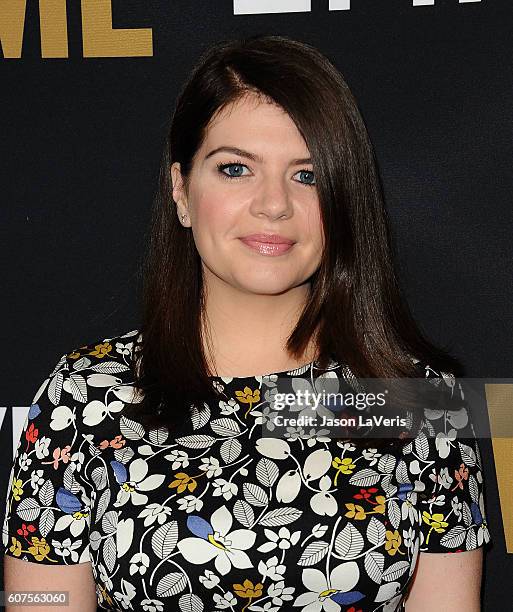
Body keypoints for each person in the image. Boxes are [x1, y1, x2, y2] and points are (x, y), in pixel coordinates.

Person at [3, 35, 491, 612]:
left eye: (308, 175)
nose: (274, 204)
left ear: (344, 201)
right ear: (180, 190)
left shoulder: (411, 398)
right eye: (235, 169)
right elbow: (39, 600)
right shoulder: (84, 399)